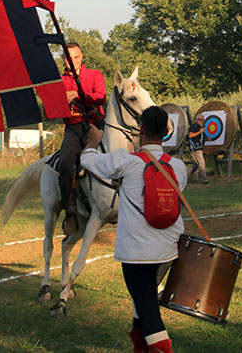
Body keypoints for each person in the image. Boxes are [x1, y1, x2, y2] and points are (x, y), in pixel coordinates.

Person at [80, 106, 185, 353]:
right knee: (142, 302)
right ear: (167, 132)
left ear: (141, 130)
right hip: (168, 251)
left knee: (148, 308)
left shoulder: (127, 161)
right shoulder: (178, 167)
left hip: (137, 252)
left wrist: (93, 142)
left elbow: (89, 161)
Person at [58, 42, 106, 235]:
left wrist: (77, 95)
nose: (73, 61)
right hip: (74, 127)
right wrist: (64, 100)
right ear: (64, 60)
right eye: (69, 58)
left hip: (97, 123)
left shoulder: (95, 75)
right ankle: (69, 210)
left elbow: (100, 96)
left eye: (76, 57)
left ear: (82, 57)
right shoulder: (59, 81)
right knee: (65, 163)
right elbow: (52, 109)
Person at [187, 114, 209, 184]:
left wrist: (208, 138)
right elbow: (190, 135)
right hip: (195, 147)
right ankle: (204, 179)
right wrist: (200, 131)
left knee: (196, 164)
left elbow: (202, 137)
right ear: (196, 120)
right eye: (199, 119)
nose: (201, 121)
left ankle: (185, 176)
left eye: (202, 120)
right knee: (201, 162)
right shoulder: (194, 126)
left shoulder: (201, 127)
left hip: (199, 147)